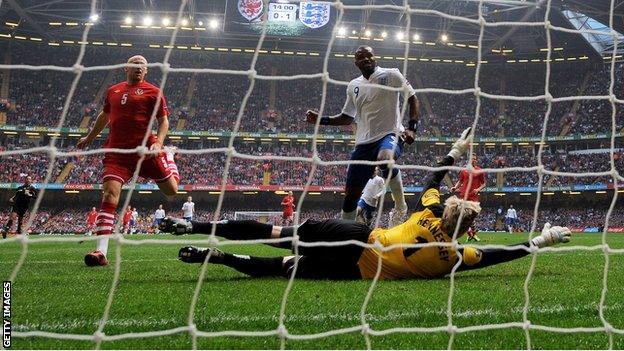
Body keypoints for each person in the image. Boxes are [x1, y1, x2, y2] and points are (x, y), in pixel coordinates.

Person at [161, 128, 572, 280]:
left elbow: (432, 178)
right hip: (357, 271)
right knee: (279, 269)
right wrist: (543, 240)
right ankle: (213, 256)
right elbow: (501, 254)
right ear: (464, 227)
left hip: (356, 235)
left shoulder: (427, 209)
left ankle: (195, 227)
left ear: (447, 207)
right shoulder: (453, 257)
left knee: (277, 236)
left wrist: (454, 151)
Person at [78, 54, 179, 266]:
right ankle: (101, 252)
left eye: (143, 65)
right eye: (135, 64)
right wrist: (90, 138)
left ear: (147, 70)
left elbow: (164, 121)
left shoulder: (154, 92)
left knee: (171, 191)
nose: (139, 68)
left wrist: (159, 144)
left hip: (145, 150)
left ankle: (169, 157)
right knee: (109, 194)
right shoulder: (113, 91)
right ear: (127, 67)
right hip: (117, 153)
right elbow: (104, 116)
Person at [305, 46, 420, 227]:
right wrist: (321, 120)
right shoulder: (353, 86)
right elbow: (347, 117)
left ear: (375, 58)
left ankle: (400, 209)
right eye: (361, 57)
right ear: (356, 62)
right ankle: (346, 234)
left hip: (390, 134)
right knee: (351, 197)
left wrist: (412, 128)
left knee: (385, 159)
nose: (366, 59)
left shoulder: (392, 74)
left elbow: (412, 98)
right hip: (363, 144)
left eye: (369, 55)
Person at [450, 154, 486, 242]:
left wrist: (478, 189)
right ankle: (471, 234)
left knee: (472, 216)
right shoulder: (464, 170)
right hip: (464, 195)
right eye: (472, 159)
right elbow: (460, 181)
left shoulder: (479, 170)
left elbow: (484, 183)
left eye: (475, 159)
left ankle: (471, 234)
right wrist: (455, 187)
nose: (474, 160)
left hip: (474, 196)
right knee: (465, 216)